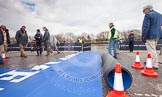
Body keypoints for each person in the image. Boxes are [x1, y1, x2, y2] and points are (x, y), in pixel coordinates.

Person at [142, 5, 162, 69]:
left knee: (151, 49)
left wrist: (144, 35)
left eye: (144, 11)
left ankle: (154, 64)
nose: (144, 13)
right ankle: (150, 61)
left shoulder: (148, 15)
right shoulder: (159, 15)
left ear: (147, 9)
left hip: (150, 35)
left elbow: (145, 26)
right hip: (158, 35)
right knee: (153, 48)